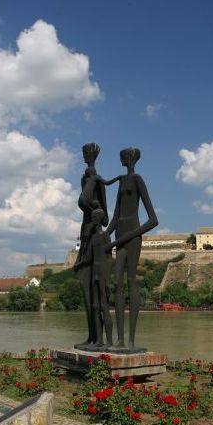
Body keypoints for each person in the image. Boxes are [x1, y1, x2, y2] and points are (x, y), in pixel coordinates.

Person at [107, 147, 158, 350]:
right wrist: (105, 235)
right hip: (119, 238)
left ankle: (131, 341)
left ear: (129, 157)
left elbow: (153, 219)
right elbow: (115, 216)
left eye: (122, 156)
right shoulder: (121, 182)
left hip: (132, 238)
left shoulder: (137, 179)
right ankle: (120, 340)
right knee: (117, 283)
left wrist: (130, 235)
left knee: (130, 281)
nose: (119, 158)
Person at [74, 143, 119, 348]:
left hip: (95, 236)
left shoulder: (97, 180)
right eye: (83, 152)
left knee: (98, 298)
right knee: (87, 294)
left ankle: (101, 340)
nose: (84, 155)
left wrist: (95, 211)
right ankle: (92, 336)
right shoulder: (84, 179)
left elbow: (105, 217)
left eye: (87, 152)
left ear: (93, 154)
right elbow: (82, 203)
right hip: (85, 237)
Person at [73, 208, 113, 348]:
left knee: (104, 307)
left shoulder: (105, 235)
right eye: (92, 217)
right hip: (94, 273)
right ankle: (98, 341)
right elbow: (88, 257)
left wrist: (107, 276)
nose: (93, 219)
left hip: (102, 273)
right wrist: (77, 265)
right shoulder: (94, 238)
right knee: (95, 307)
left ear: (99, 219)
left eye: (95, 217)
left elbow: (109, 258)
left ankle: (109, 341)